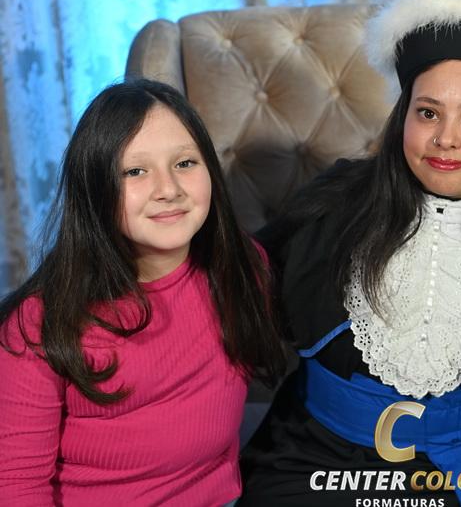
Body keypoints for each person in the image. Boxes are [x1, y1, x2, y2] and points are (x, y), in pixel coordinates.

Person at [238, 0, 461, 507]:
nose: (446, 139)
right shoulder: (336, 201)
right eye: (428, 112)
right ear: (403, 116)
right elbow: (239, 276)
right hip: (315, 457)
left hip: (457, 458)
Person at [0, 78, 286, 506]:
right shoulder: (39, 325)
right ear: (96, 189)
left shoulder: (243, 269)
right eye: (135, 171)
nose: (168, 189)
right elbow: (16, 484)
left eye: (185, 163)